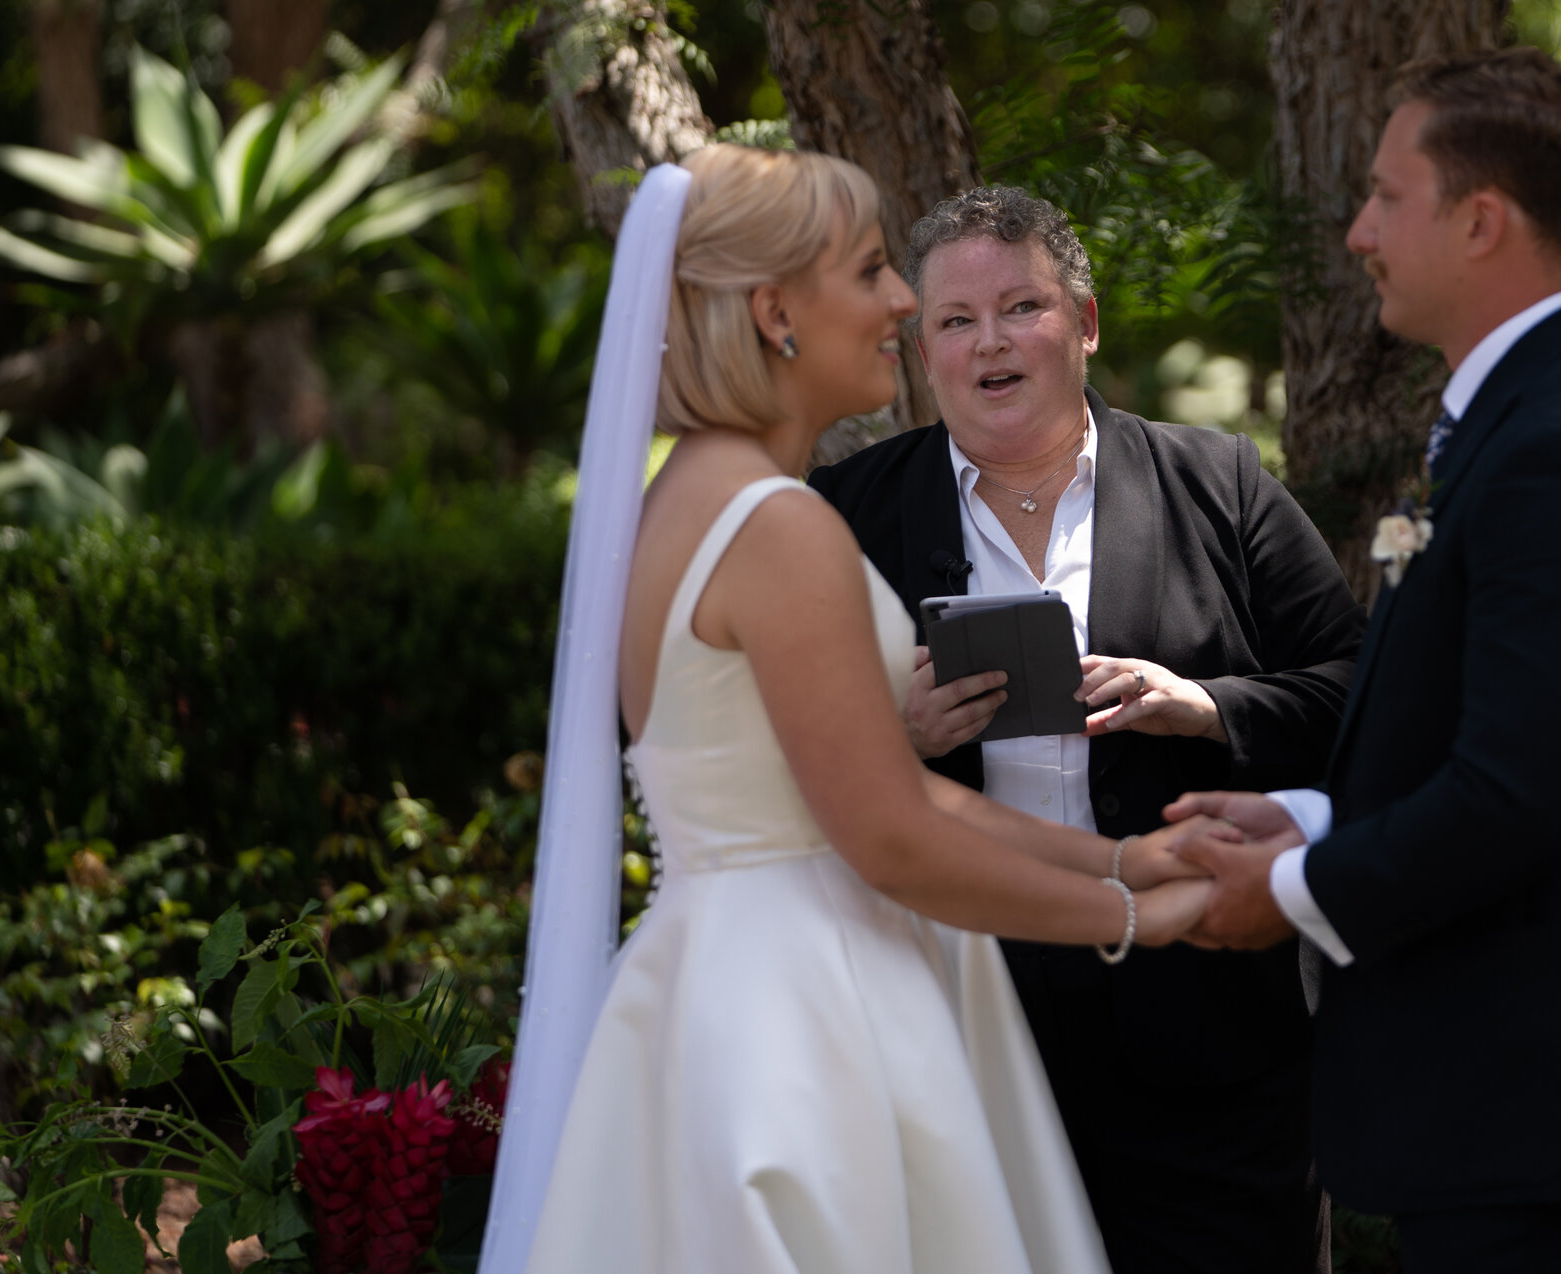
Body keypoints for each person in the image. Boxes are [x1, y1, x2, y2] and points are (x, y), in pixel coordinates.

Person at [492, 145, 1212, 1274]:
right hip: (801, 1011)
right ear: (776, 310)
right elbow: (887, 832)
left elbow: (894, 794)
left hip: (711, 984)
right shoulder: (775, 524)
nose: (901, 301)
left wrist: (1126, 862)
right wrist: (1136, 916)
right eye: (873, 268)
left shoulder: (682, 496)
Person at [1169, 49, 1561, 1274]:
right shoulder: (1535, 413)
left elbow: (1521, 794)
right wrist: (1304, 816)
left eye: (1385, 195)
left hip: (1537, 1103)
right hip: (1507, 1104)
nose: (1361, 231)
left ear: (1480, 221)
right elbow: (1492, 735)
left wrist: (1284, 894)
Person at [810, 186, 1364, 1274]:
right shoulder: (845, 513)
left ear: (1087, 322)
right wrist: (900, 732)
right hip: (959, 1024)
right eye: (956, 321)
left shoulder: (1219, 482)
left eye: (1021, 307)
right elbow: (787, 754)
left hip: (1207, 1023)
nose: (990, 343)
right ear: (923, 349)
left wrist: (1205, 707)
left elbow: (1362, 687)